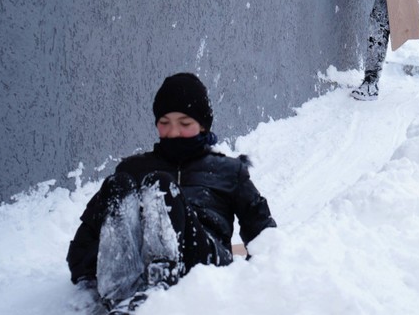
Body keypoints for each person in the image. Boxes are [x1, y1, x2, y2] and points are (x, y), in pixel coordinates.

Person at [67, 73, 276, 312]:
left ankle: (158, 291)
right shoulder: (134, 169)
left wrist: (254, 284)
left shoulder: (229, 171)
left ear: (203, 125)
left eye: (185, 124)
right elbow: (84, 244)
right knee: (119, 185)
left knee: (161, 185)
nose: (174, 132)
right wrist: (92, 272)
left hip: (205, 263)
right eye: (164, 123)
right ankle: (118, 293)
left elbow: (266, 238)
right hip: (137, 270)